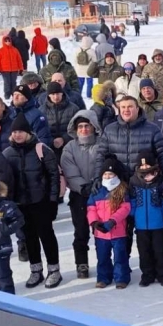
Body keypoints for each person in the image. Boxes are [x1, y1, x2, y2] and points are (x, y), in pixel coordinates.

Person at [2, 115, 61, 289]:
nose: (17, 135)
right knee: (29, 238)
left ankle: (54, 269)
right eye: (14, 132)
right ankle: (36, 270)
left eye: (21, 131)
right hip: (21, 204)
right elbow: (5, 179)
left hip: (41, 202)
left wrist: (53, 201)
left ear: (28, 133)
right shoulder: (7, 153)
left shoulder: (42, 149)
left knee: (47, 236)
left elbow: (53, 176)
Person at [61, 111, 100, 279]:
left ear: (93, 126)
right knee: (81, 231)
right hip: (79, 195)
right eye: (80, 126)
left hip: (101, 194)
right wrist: (83, 187)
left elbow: (105, 164)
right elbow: (69, 171)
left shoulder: (102, 144)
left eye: (87, 126)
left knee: (101, 231)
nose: (84, 129)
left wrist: (98, 184)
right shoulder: (69, 148)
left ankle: (104, 260)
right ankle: (81, 263)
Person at [87, 157, 131, 289]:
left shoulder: (122, 190)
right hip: (101, 233)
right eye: (105, 174)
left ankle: (121, 278)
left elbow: (125, 208)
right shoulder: (97, 191)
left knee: (120, 257)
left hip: (118, 231)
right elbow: (91, 208)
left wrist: (113, 221)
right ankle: (103, 277)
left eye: (111, 174)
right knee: (102, 257)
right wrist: (94, 222)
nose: (107, 176)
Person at [129, 157, 163, 286]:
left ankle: (162, 275)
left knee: (160, 251)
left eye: (148, 166)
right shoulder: (134, 182)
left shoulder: (161, 182)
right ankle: (147, 275)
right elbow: (132, 202)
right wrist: (131, 218)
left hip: (158, 224)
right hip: (141, 224)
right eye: (142, 167)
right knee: (144, 252)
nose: (145, 169)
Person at [43, 82, 80, 159]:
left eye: (58, 93)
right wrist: (51, 141)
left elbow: (78, 129)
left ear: (62, 93)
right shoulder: (41, 110)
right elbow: (40, 131)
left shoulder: (73, 109)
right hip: (49, 148)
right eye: (53, 94)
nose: (56, 97)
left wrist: (64, 139)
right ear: (48, 95)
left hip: (70, 147)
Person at [0, 36, 24, 100]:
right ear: (3, 42)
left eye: (9, 41)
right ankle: (7, 94)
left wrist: (21, 68)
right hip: (4, 70)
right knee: (7, 83)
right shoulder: (0, 50)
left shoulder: (15, 49)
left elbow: (19, 59)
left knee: (13, 82)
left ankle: (14, 94)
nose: (7, 42)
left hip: (14, 70)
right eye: (6, 41)